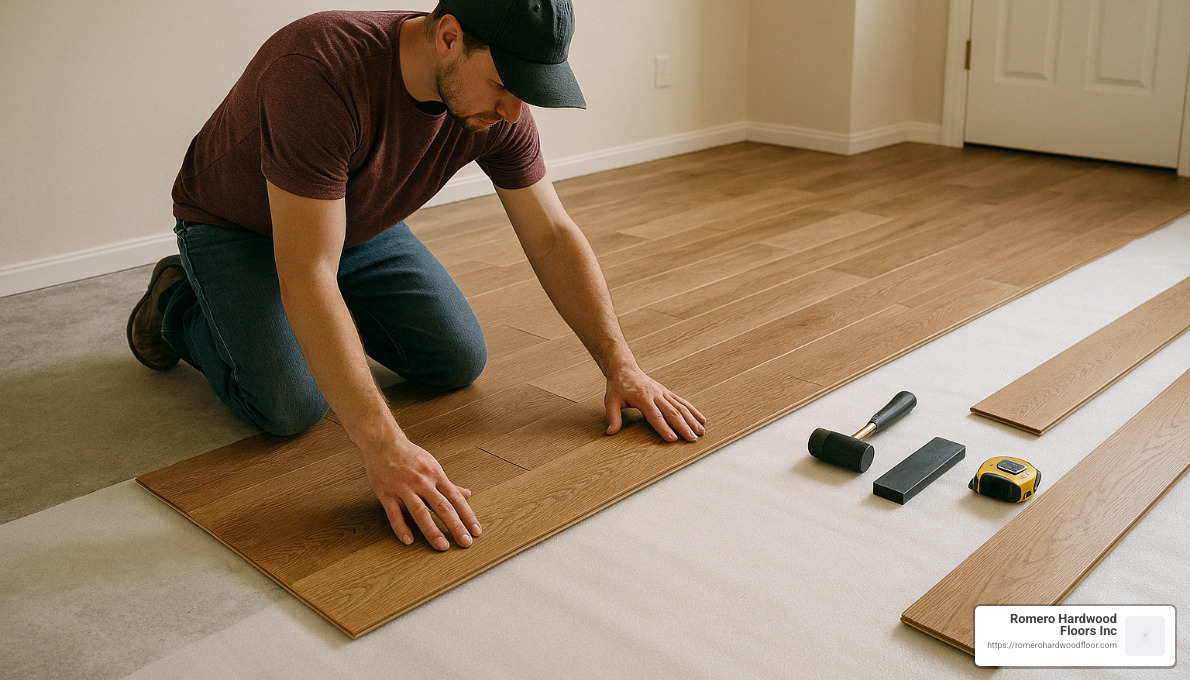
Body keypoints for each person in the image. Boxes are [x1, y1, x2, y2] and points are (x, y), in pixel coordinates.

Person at [127, 0, 705, 553]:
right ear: (448, 36)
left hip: (356, 222)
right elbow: (307, 271)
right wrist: (385, 447)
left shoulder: (496, 109)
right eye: (505, 84)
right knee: (289, 406)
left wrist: (622, 365)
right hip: (238, 228)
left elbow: (552, 235)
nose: (512, 111)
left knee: (455, 361)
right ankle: (176, 301)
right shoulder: (317, 68)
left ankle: (316, 323)